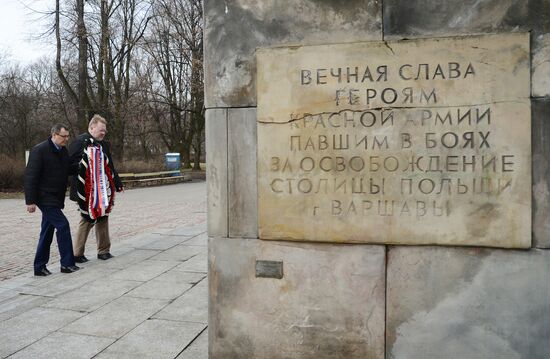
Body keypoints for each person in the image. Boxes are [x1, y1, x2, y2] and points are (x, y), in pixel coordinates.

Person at [25, 124, 80, 275]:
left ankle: (39, 267)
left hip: (56, 197)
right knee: (63, 225)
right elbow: (31, 176)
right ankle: (67, 264)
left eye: (68, 136)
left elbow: (68, 169)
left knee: (47, 231)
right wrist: (30, 201)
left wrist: (84, 165)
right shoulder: (39, 150)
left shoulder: (63, 151)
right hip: (44, 197)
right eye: (64, 136)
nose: (66, 139)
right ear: (54, 135)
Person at [69, 114, 123, 262]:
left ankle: (104, 251)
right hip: (85, 190)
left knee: (103, 217)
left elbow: (109, 165)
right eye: (101, 130)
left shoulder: (104, 144)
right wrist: (85, 165)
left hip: (103, 189)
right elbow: (69, 165)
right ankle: (77, 253)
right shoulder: (79, 142)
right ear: (91, 127)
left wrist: (117, 183)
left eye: (105, 130)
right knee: (87, 218)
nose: (103, 133)